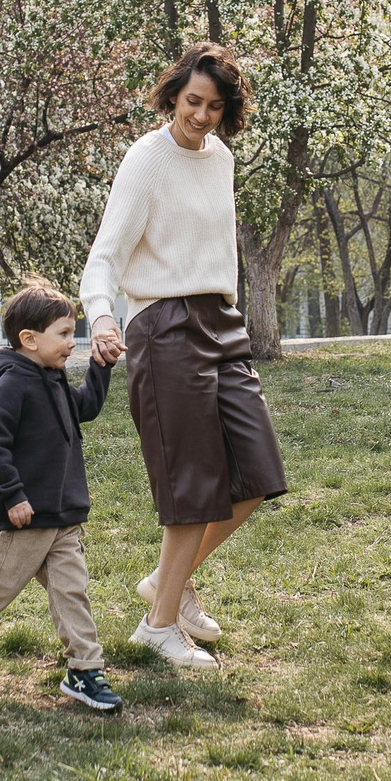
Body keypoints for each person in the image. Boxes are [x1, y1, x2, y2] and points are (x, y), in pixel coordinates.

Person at [80, 41, 287, 669]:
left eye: (214, 106)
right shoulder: (147, 158)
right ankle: (161, 625)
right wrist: (101, 315)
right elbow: (107, 252)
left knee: (257, 473)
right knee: (194, 487)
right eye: (192, 101)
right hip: (163, 324)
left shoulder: (219, 158)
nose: (200, 115)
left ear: (228, 112)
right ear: (173, 94)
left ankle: (167, 586)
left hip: (220, 321)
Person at [0, 277, 122, 713]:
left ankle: (85, 670)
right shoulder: (15, 382)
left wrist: (100, 366)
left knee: (73, 592)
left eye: (74, 333)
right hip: (27, 516)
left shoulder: (50, 378)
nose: (74, 341)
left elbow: (83, 407)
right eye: (65, 334)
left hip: (63, 515)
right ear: (29, 339)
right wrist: (12, 495)